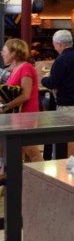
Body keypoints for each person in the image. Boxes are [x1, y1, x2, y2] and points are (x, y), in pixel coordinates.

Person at [0, 38, 43, 177]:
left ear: (14, 53)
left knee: (32, 152)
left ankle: (44, 181)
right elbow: (12, 92)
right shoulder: (14, 69)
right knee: (14, 151)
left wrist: (5, 107)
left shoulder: (26, 68)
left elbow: (25, 95)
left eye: (4, 51)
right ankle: (11, 181)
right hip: (17, 116)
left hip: (26, 115)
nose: (2, 53)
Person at [41, 29, 74, 112]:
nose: (55, 48)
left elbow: (53, 83)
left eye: (54, 45)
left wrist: (44, 79)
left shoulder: (62, 59)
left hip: (68, 102)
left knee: (66, 121)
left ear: (59, 45)